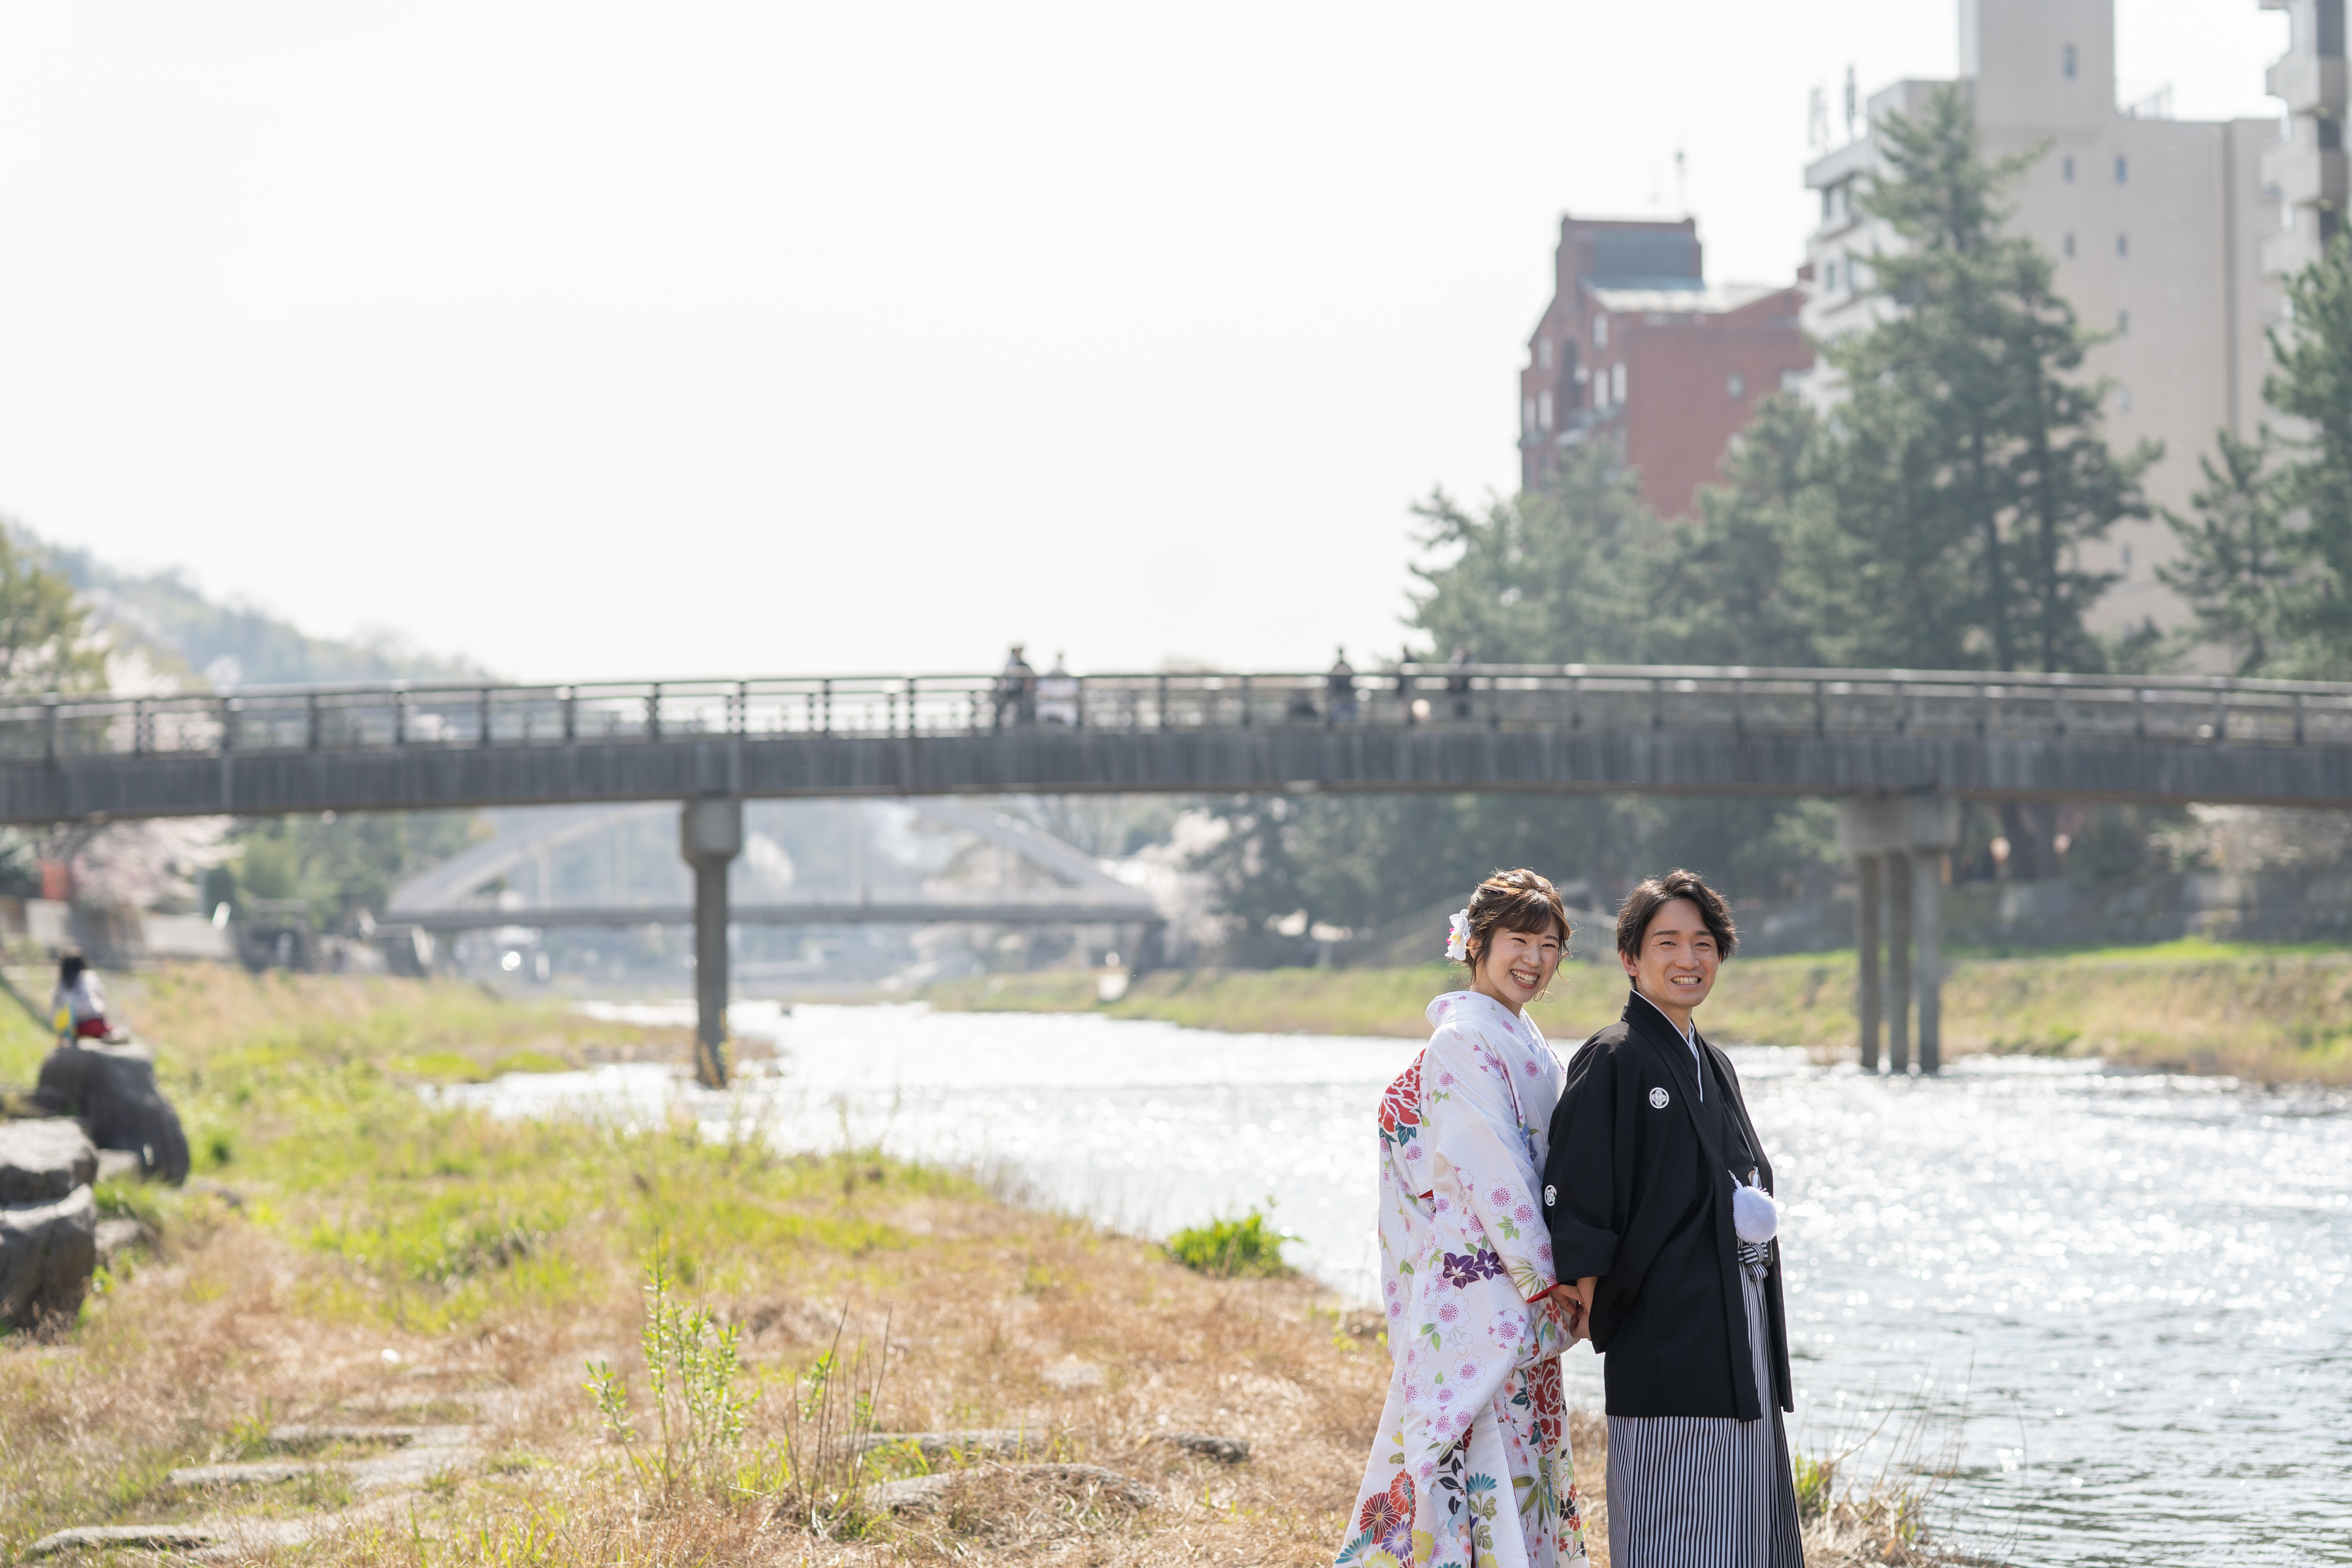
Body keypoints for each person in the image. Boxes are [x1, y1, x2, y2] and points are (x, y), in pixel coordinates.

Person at [1541, 870, 1801, 1568]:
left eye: (1703, 943)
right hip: (1664, 1327)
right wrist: (1591, 1300)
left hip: (1737, 1321)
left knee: (1743, 1521)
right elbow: (1578, 1186)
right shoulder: (1615, 1055)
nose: (1689, 959)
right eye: (1668, 943)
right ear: (1630, 958)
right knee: (1676, 1523)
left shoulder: (1713, 1062)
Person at [1338, 869, 1589, 1568]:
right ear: (1475, 943)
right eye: (1518, 941)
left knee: (1520, 1454)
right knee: (1481, 1452)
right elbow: (1491, 1168)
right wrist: (1551, 1278)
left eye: (1549, 945)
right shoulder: (1463, 1038)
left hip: (1510, 1281)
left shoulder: (1518, 1034)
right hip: (1486, 1288)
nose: (1534, 960)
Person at [50, 953, 112, 1040]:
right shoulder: (89, 977)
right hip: (94, 1023)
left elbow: (55, 1010)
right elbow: (102, 999)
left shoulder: (62, 985)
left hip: (74, 1028)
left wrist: (60, 1036)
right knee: (110, 1029)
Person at [992, 644, 1036, 728]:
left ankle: (1023, 725)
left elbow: (1031, 676)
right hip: (1010, 692)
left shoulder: (1022, 664)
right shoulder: (1010, 663)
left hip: (1019, 691)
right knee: (1003, 707)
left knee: (1023, 708)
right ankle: (998, 726)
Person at [1037, 652, 1081, 726]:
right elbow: (1042, 692)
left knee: (1070, 716)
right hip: (1050, 704)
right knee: (1042, 711)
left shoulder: (1069, 678)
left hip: (1066, 705)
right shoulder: (1048, 677)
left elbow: (1074, 693)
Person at [1327, 647, 1358, 723]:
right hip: (1339, 695)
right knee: (1337, 713)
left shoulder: (1347, 666)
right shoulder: (1336, 667)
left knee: (1353, 715)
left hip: (1348, 695)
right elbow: (1331, 680)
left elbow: (1353, 678)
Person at [1445, 644, 1477, 721]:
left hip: (1465, 687)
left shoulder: (1469, 660)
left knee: (1464, 703)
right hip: (1454, 688)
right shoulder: (1453, 660)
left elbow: (1472, 670)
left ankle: (1464, 717)